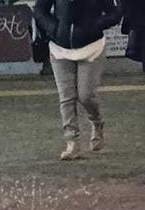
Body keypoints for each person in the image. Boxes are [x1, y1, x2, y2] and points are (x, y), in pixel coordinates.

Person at [35, 0, 121, 160]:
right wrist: (53, 28)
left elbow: (115, 13)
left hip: (92, 48)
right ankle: (71, 141)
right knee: (66, 97)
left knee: (86, 96)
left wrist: (95, 25)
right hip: (59, 49)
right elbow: (40, 10)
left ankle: (97, 122)